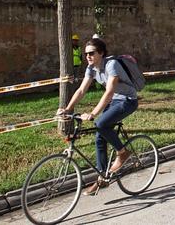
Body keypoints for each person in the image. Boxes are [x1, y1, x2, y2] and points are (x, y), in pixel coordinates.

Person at [57, 38, 139, 196]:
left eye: (91, 53)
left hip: (128, 100)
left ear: (101, 53)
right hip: (115, 100)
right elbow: (81, 90)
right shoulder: (91, 68)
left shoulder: (111, 65)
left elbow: (109, 91)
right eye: (86, 53)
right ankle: (102, 178)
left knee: (100, 123)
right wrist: (67, 109)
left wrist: (93, 113)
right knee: (99, 136)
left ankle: (123, 153)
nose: (87, 56)